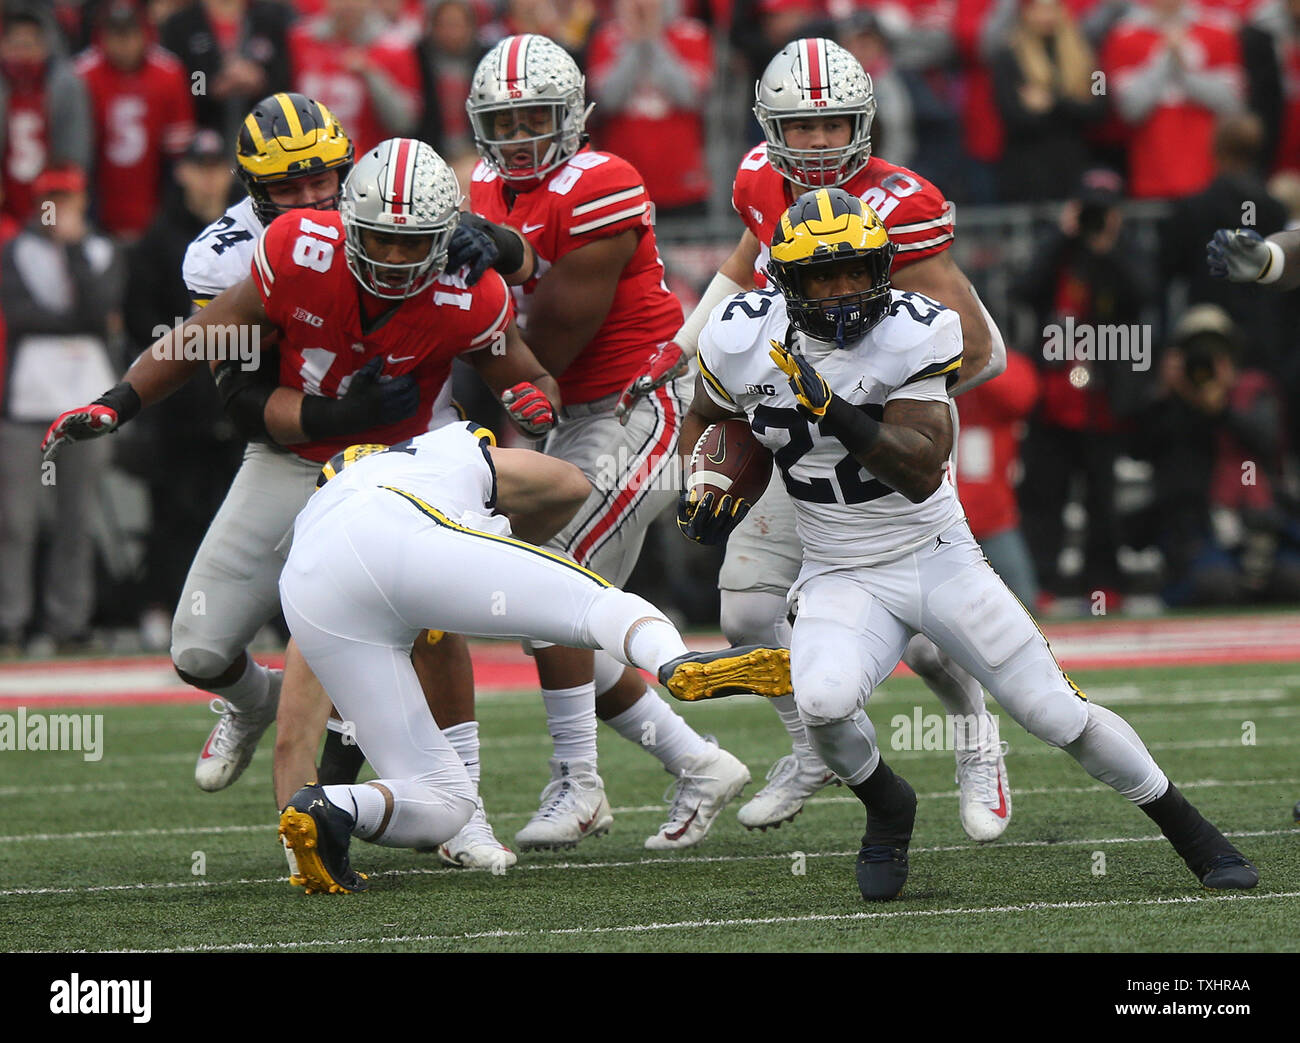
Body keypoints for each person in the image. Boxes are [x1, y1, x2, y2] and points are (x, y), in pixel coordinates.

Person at [679, 186, 1259, 900]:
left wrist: (834, 411)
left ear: (883, 269)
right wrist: (711, 481)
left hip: (934, 553)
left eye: (857, 272)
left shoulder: (916, 329)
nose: (842, 291)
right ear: (787, 284)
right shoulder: (739, 337)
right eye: (823, 277)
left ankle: (1194, 832)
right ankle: (890, 805)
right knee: (824, 701)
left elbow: (920, 469)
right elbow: (714, 416)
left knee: (1055, 712)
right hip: (837, 567)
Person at [40, 130, 557, 869]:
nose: (395, 258)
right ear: (349, 221)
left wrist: (530, 404)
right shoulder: (296, 251)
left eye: (415, 243)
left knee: (433, 626)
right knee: (197, 645)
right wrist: (116, 402)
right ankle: (258, 704)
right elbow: (203, 337)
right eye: (379, 237)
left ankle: (457, 811)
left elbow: (529, 377)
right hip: (292, 457)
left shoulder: (467, 287)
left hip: (402, 466)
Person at [618, 36, 1012, 842]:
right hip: (796, 423)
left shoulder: (901, 203)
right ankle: (814, 748)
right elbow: (745, 262)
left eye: (834, 124)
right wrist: (685, 347)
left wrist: (863, 414)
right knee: (747, 612)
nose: (820, 141)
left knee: (930, 632)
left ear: (862, 121)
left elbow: (980, 349)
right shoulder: (761, 179)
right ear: (772, 128)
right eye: (802, 127)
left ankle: (978, 739)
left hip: (882, 431)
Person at [454, 33, 751, 852]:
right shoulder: (483, 181)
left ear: (573, 116)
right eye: (502, 120)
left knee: (545, 583)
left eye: (534, 117)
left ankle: (580, 780)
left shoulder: (603, 183)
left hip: (635, 408)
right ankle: (698, 762)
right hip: (569, 416)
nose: (516, 136)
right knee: (553, 601)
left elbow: (548, 344)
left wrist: (482, 297)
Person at [278, 423, 792, 894]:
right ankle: (674, 661)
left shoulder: (312, 529)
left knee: (444, 804)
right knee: (591, 603)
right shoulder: (438, 452)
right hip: (402, 528)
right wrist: (508, 554)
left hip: (311, 592)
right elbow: (568, 483)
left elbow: (290, 741)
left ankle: (332, 807)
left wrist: (292, 842)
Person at [1, 163, 124, 653]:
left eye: (66, 201)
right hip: (29, 400)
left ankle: (68, 621)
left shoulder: (101, 250)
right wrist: (74, 319)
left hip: (83, 400)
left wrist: (71, 250)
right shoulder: (17, 252)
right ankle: (12, 619)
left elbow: (99, 314)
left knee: (78, 516)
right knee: (16, 520)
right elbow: (22, 315)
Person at [74, 0, 196, 242]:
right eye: (115, 35)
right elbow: (80, 153)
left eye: (129, 35)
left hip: (153, 195)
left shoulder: (169, 72)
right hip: (99, 197)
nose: (123, 45)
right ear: (102, 38)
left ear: (144, 35)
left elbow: (177, 154)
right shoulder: (82, 74)